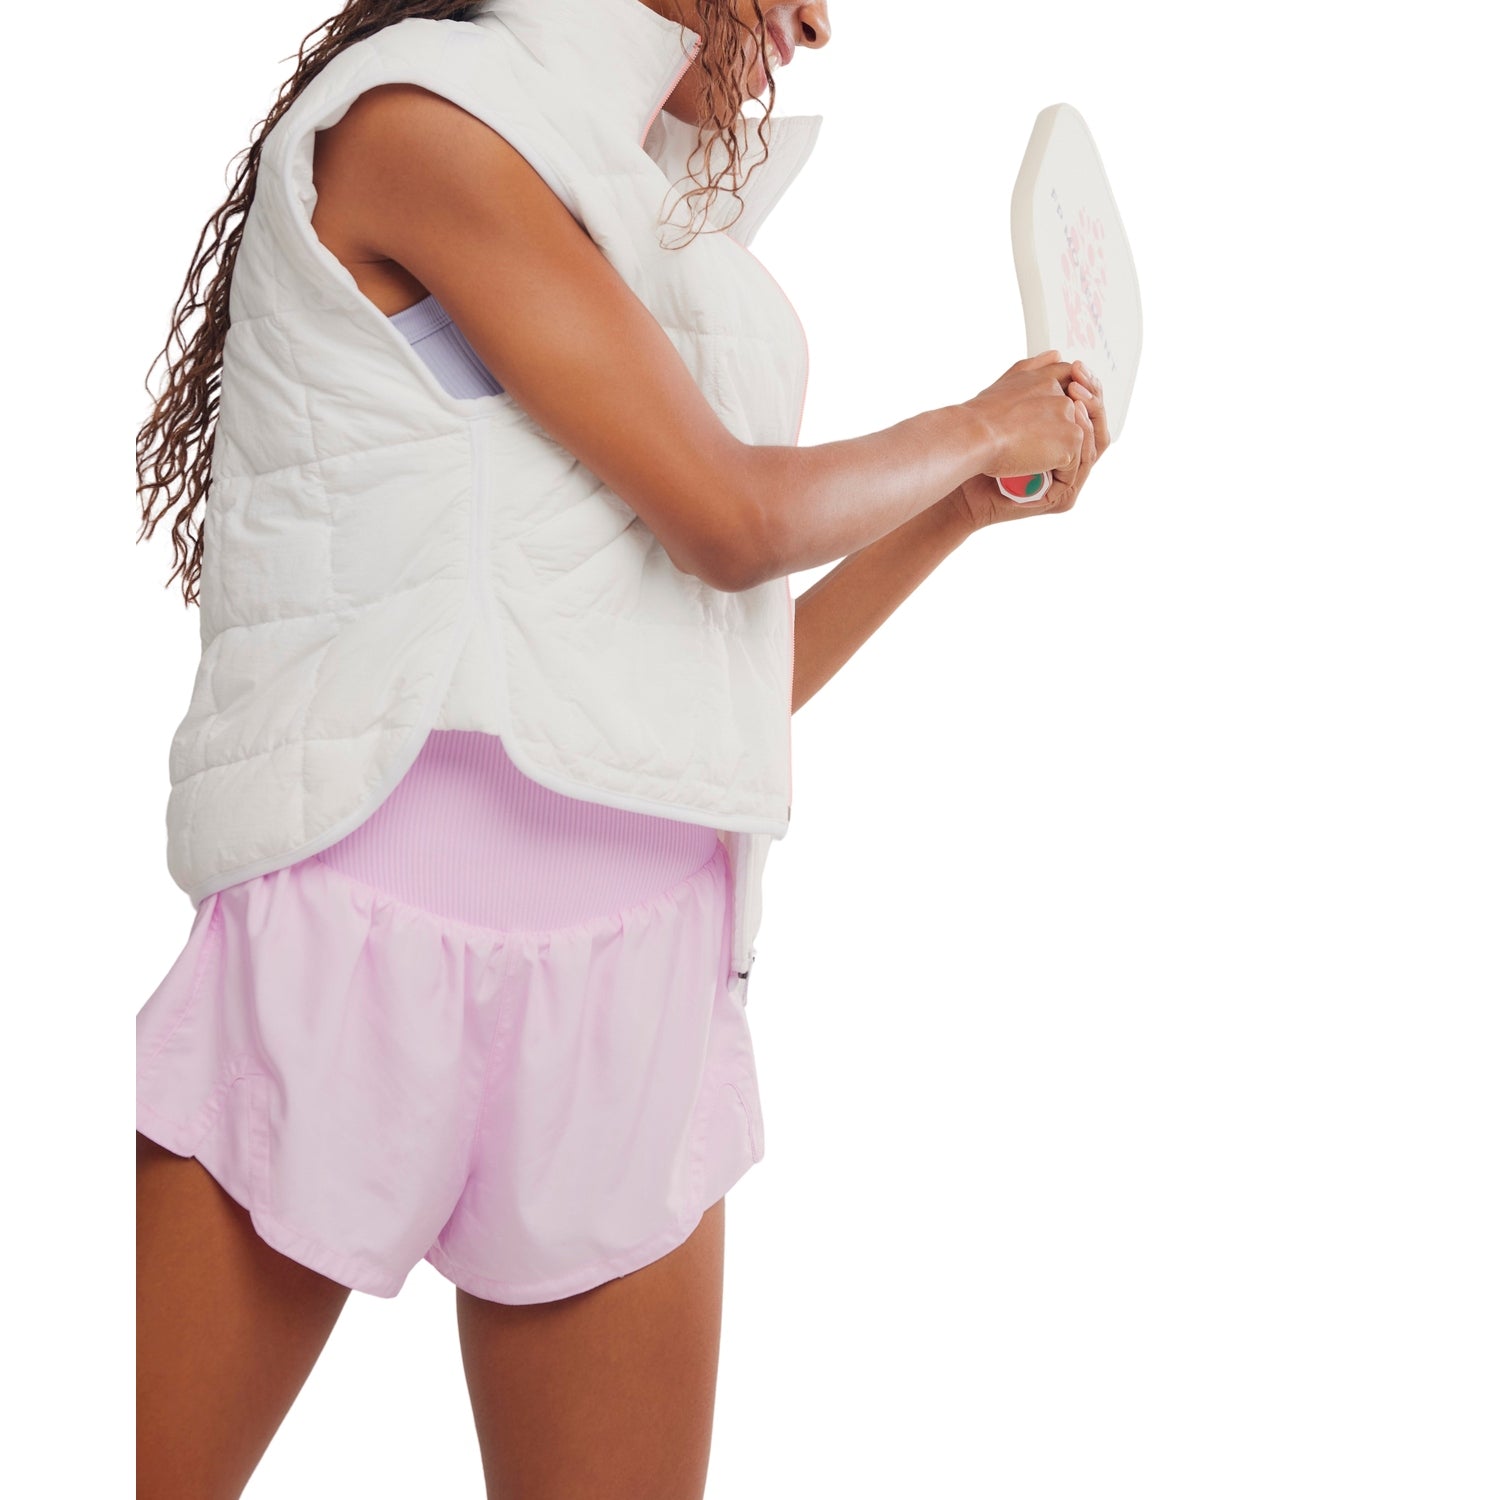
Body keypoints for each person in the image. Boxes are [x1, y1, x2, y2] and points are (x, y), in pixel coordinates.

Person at [133, 1, 1108, 1494]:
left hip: (635, 997)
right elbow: (733, 521)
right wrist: (975, 427)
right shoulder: (421, 126)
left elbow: (703, 699)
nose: (818, 21)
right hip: (349, 963)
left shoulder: (648, 229)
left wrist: (954, 510)